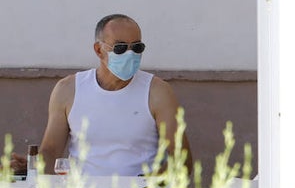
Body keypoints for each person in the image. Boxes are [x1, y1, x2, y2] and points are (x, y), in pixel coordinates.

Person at [31, 13, 192, 177]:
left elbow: (181, 161)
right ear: (99, 50)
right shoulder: (68, 90)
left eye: (137, 47)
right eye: (120, 48)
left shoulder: (157, 92)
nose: (130, 54)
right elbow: (50, 152)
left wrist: (144, 186)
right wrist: (30, 168)